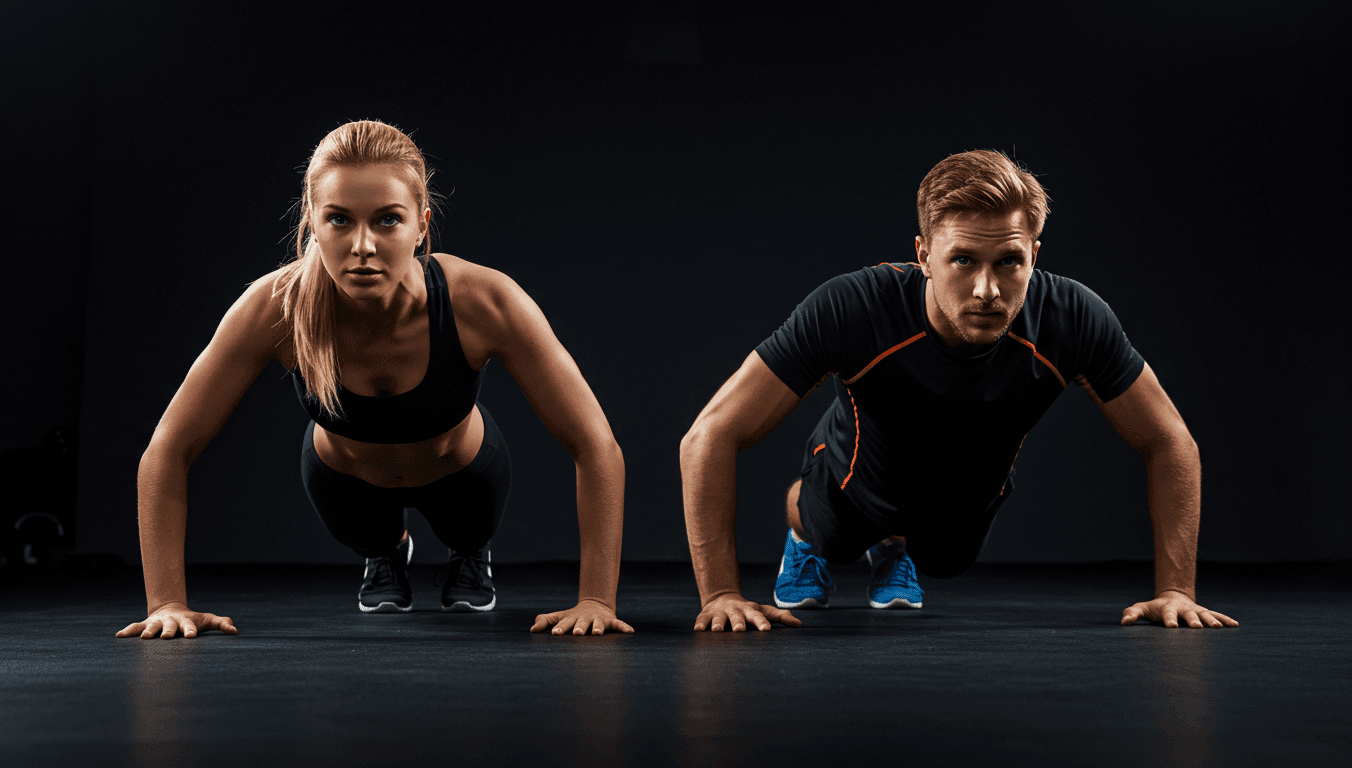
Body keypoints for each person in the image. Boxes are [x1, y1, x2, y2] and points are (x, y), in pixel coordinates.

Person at [680, 150, 1237, 632]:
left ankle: (896, 547)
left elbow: (1169, 440)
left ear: (1034, 255)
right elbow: (710, 434)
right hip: (856, 480)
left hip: (966, 497)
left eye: (1009, 261)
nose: (987, 290)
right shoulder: (853, 308)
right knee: (832, 534)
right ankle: (806, 543)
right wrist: (721, 595)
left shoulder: (1073, 318)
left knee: (946, 561)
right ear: (924, 256)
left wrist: (1176, 591)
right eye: (963, 260)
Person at [117, 120, 631, 640]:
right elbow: (168, 448)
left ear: (421, 225)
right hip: (343, 484)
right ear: (312, 221)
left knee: (468, 528)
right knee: (366, 534)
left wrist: (596, 600)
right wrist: (167, 603)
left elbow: (596, 445)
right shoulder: (275, 308)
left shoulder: (483, 300)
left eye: (388, 220)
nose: (362, 245)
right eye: (339, 219)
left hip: (465, 477)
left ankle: (470, 554)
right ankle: (386, 552)